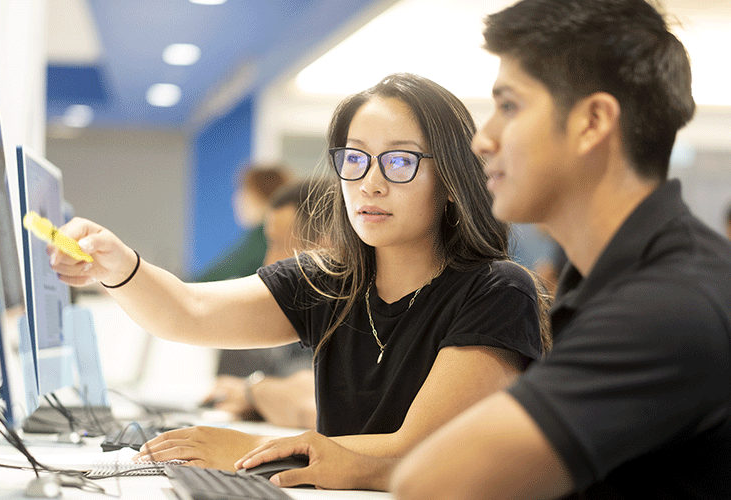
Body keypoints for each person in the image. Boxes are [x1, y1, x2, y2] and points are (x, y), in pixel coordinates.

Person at [239, 0, 731, 497]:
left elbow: (439, 478)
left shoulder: (669, 306)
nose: (483, 140)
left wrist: (312, 457)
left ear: (592, 122)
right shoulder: (613, 282)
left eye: (509, 107)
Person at [49, 73, 550, 477]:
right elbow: (188, 312)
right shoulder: (330, 281)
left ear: (450, 180)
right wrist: (117, 265)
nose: (370, 183)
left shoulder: (498, 291)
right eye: (355, 159)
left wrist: (254, 448)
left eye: (399, 161)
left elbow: (416, 449)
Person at [204, 179, 330, 429]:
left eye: (277, 245)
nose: (268, 261)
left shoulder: (349, 317)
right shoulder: (299, 311)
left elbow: (314, 406)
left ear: (325, 246)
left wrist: (253, 391)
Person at [193, 163, 293, 282]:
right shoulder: (285, 235)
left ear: (256, 195)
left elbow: (208, 279)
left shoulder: (262, 236)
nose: (235, 200)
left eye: (242, 191)